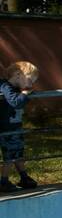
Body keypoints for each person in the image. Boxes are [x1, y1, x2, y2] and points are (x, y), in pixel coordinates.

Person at [0, 62, 38, 191]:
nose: (31, 84)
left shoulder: (17, 89)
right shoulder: (5, 86)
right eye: (30, 80)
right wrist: (26, 94)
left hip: (15, 127)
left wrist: (25, 93)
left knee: (18, 153)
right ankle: (4, 181)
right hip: (7, 129)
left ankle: (24, 177)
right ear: (18, 75)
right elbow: (16, 102)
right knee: (9, 155)